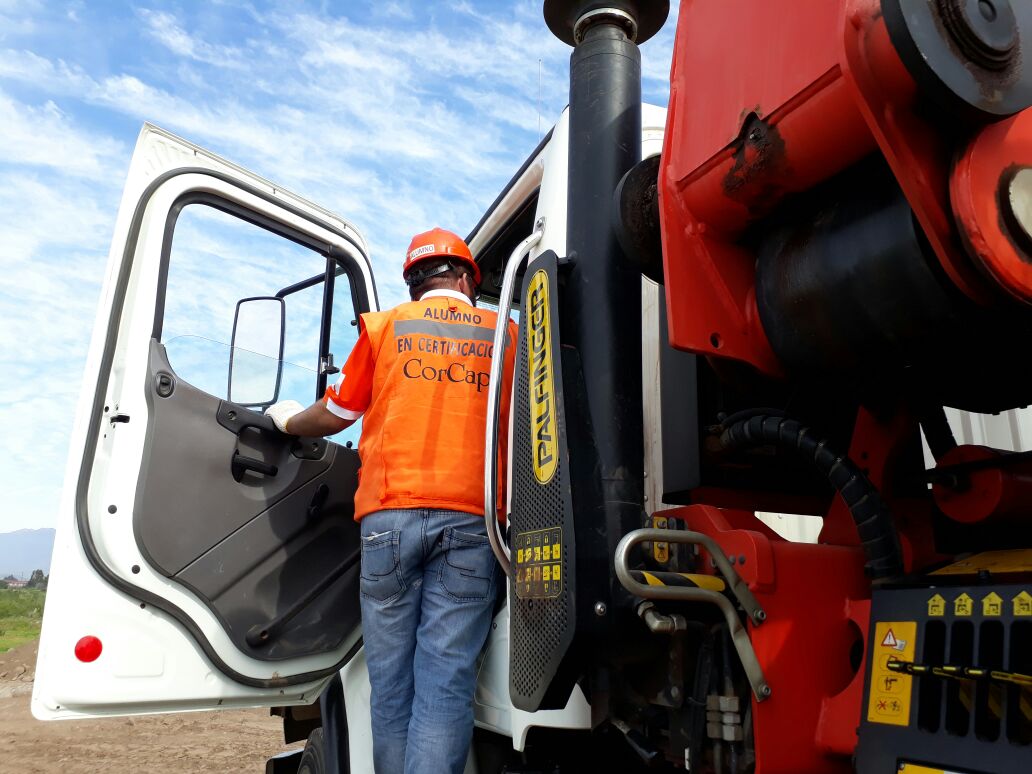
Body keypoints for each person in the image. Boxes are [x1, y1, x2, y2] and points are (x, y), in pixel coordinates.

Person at [265, 227, 517, 774]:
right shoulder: (507, 335)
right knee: (444, 685)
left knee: (390, 688)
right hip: (473, 523)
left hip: (387, 520)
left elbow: (336, 414)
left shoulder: (385, 329)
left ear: (413, 285)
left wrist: (286, 420)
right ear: (469, 278)